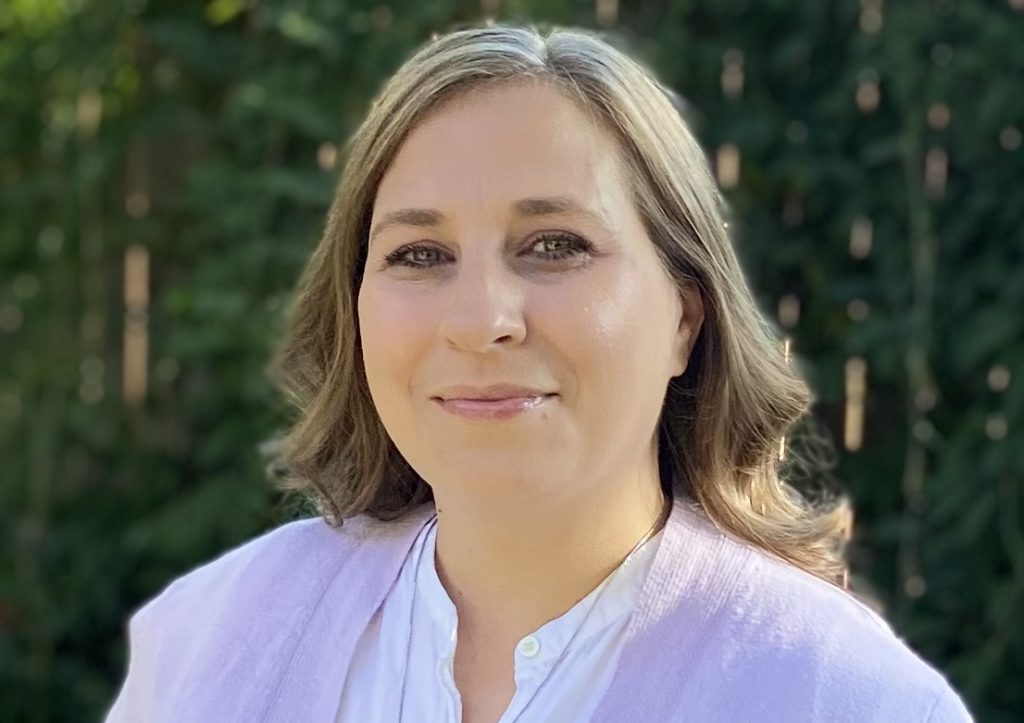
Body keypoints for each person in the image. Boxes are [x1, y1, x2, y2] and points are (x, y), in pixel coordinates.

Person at [104, 22, 973, 723]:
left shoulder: (848, 700)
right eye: (419, 252)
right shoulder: (203, 640)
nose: (482, 319)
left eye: (554, 245)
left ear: (683, 317)